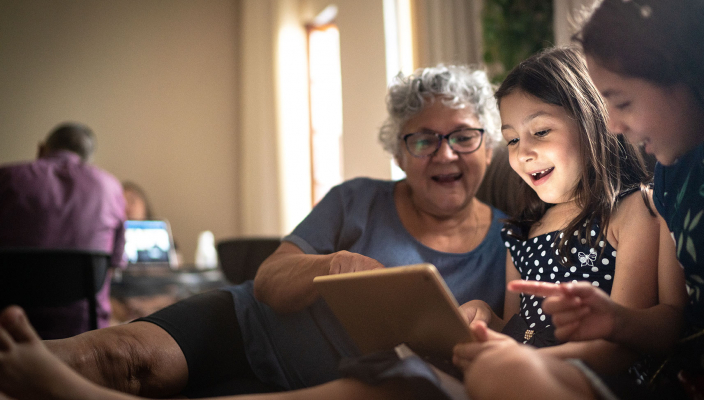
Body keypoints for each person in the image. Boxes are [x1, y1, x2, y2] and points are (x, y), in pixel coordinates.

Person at [0, 64, 509, 400]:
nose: (445, 153)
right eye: (423, 140)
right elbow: (270, 279)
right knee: (118, 358)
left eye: (463, 137)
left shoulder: (510, 242)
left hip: (347, 382)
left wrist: (485, 319)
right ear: (399, 153)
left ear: (487, 146)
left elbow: (507, 349)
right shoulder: (357, 198)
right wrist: (332, 265)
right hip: (248, 324)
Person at [465, 0, 704, 399]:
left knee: (497, 376)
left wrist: (610, 326)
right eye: (511, 139)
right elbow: (519, 325)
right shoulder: (672, 179)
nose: (613, 124)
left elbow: (664, 325)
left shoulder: (647, 203)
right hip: (681, 379)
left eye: (621, 102)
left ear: (689, 73)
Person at [452, 46, 662, 374]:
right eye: (511, 140)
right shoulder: (522, 232)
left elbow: (622, 348)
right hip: (523, 377)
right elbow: (518, 331)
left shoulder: (633, 211)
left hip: (593, 382)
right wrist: (486, 320)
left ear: (592, 121)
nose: (523, 153)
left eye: (540, 132)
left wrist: (530, 363)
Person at [0, 122, 126, 338]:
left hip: (10, 329)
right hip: (84, 332)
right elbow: (112, 267)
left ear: (41, 149)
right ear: (88, 161)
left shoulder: (6, 178)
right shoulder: (109, 186)